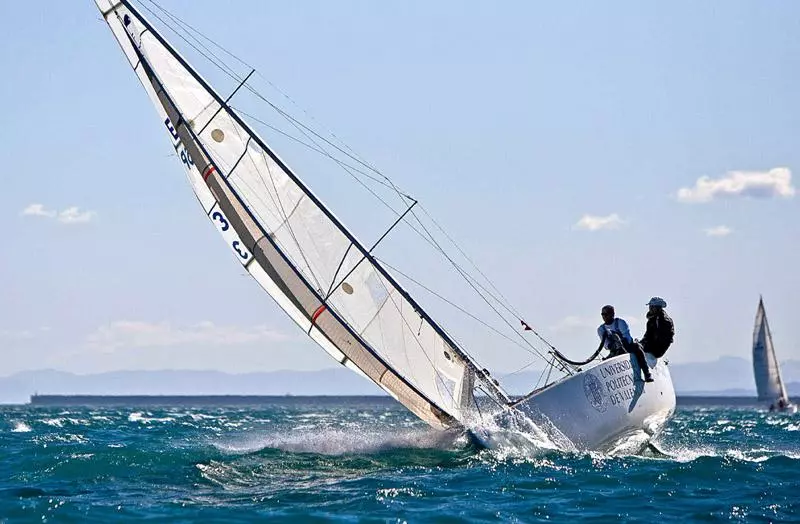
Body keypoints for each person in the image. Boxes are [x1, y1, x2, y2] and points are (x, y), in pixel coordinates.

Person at [598, 305, 653, 382]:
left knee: (638, 348)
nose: (604, 316)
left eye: (606, 314)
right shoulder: (601, 329)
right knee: (605, 361)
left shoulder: (620, 322)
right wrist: (614, 347)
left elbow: (627, 338)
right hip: (614, 351)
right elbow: (606, 345)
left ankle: (647, 374)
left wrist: (621, 344)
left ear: (612, 314)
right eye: (603, 314)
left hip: (628, 347)